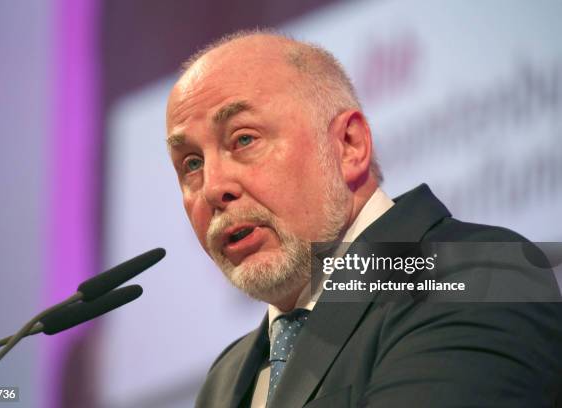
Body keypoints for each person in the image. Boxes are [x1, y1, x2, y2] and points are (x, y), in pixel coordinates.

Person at [165, 30, 562, 407]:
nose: (214, 187)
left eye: (244, 139)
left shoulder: (482, 276)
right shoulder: (226, 379)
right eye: (192, 163)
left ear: (349, 146)